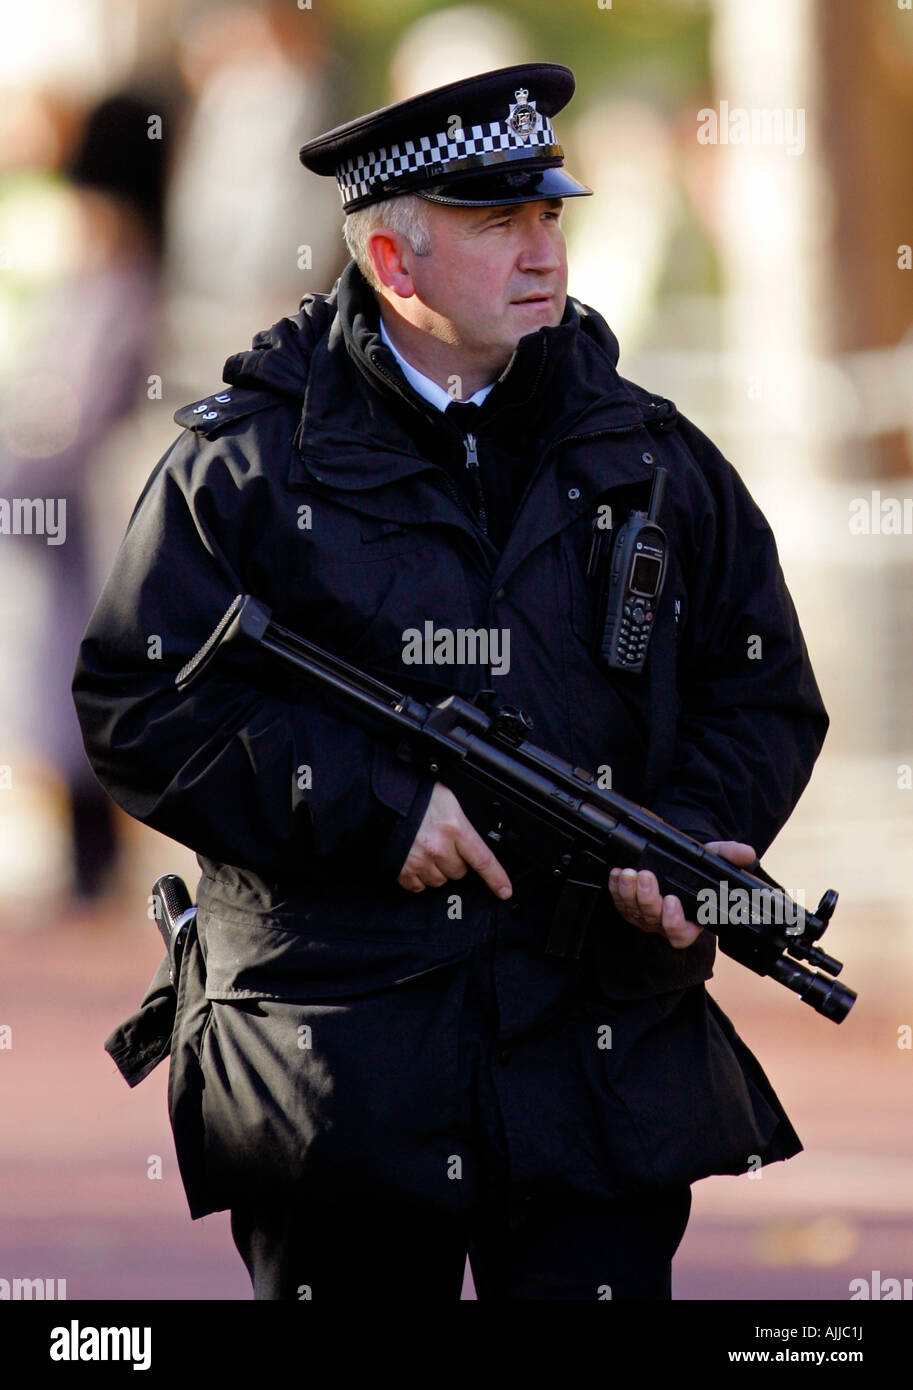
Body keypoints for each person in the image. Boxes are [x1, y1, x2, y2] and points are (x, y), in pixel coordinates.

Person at [74, 63, 828, 1301]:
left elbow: (761, 694)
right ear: (393, 260)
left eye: (550, 216)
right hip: (339, 1068)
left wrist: (690, 838)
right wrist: (379, 808)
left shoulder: (656, 461)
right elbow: (139, 703)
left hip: (593, 1063)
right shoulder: (247, 467)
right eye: (498, 223)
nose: (542, 250)